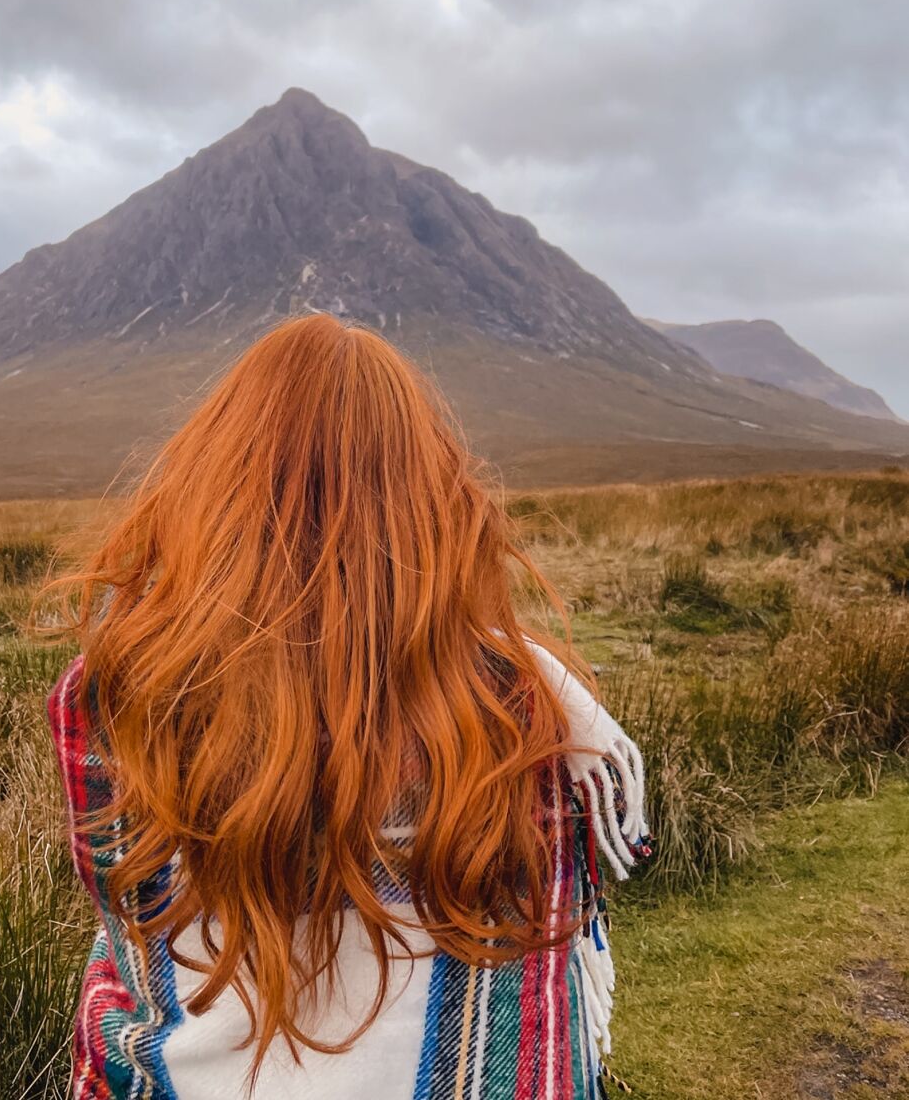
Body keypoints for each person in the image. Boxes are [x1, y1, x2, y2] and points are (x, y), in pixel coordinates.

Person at [47, 314, 649, 1099]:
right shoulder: (522, 704)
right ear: (432, 495)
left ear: (212, 482)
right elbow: (564, 912)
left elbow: (126, 909)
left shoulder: (111, 698)